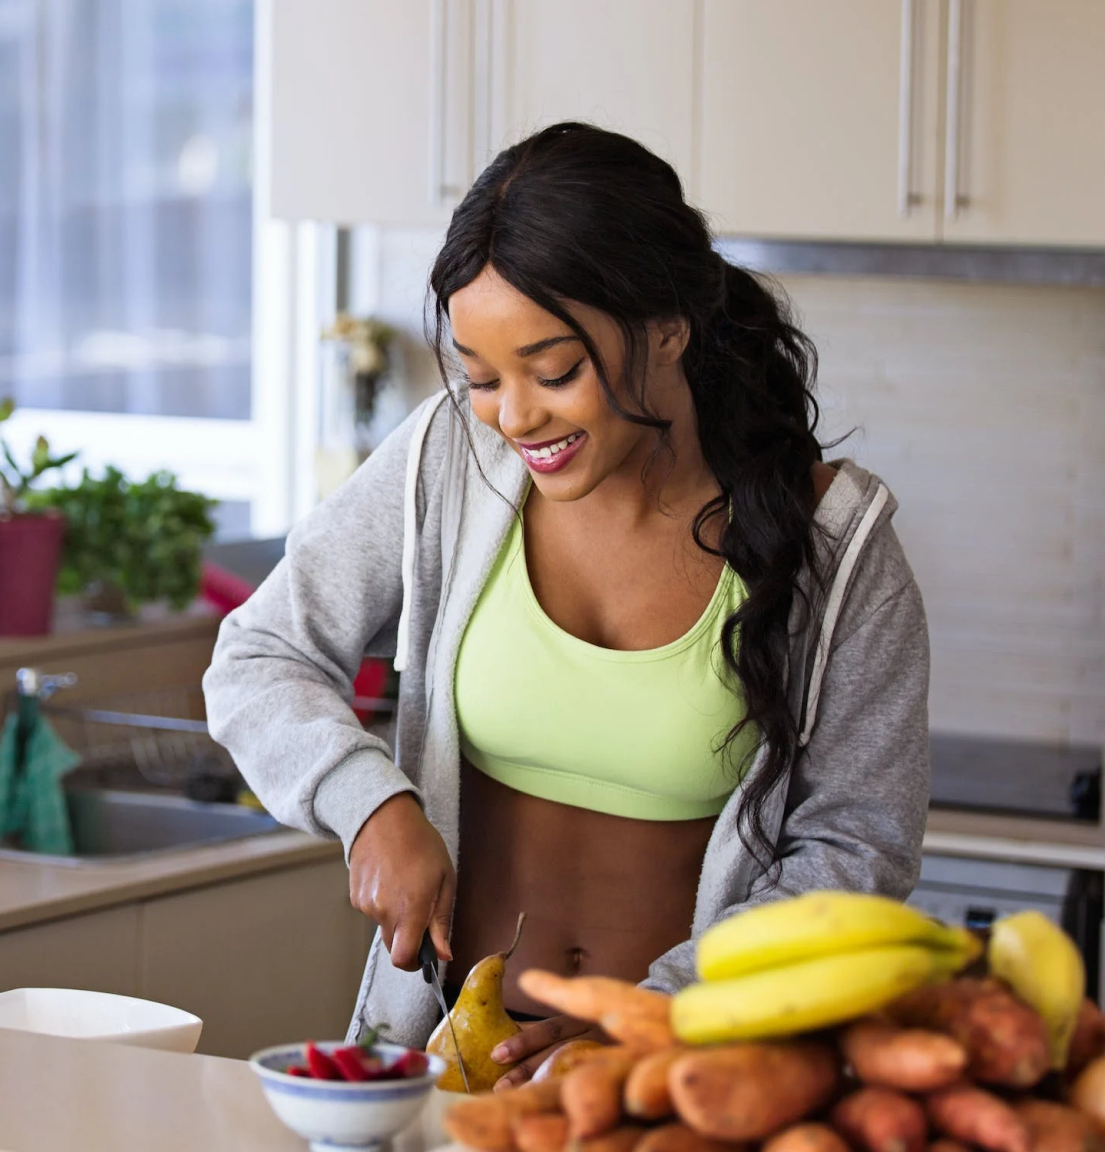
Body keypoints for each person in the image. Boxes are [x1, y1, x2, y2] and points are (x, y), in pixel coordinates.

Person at [203, 122, 930, 1086]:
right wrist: (371, 802)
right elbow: (258, 656)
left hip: (682, 1083)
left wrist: (653, 1022)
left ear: (669, 326)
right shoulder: (449, 460)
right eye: (480, 378)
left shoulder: (834, 542)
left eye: (553, 372)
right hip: (446, 1072)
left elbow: (855, 852)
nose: (515, 418)